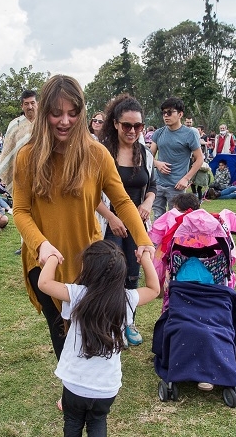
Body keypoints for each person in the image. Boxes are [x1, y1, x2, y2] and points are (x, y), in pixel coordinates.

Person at [12, 75, 154, 360]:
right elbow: (20, 211)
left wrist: (144, 240)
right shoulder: (27, 156)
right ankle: (70, 391)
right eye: (57, 113)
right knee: (60, 331)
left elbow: (123, 202)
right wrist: (40, 244)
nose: (65, 121)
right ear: (44, 114)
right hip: (45, 260)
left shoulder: (97, 154)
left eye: (73, 113)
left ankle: (87, 386)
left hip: (88, 261)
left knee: (86, 327)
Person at [38, 240, 159, 437]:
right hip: (106, 385)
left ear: (87, 269)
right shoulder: (126, 299)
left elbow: (44, 283)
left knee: (72, 420)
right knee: (97, 421)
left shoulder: (78, 293)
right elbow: (154, 289)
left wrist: (51, 256)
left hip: (74, 382)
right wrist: (145, 257)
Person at [97, 95, 156, 345]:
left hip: (136, 225)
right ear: (115, 124)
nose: (132, 131)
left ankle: (128, 322)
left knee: (133, 273)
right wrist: (111, 217)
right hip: (108, 223)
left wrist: (146, 204)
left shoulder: (145, 154)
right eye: (127, 125)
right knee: (110, 272)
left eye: (138, 126)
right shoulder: (102, 153)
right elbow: (90, 195)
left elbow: (152, 185)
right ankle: (108, 323)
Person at [149, 97, 205, 218]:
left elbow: (200, 159)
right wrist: (157, 164)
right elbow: (148, 156)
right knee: (158, 219)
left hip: (176, 186)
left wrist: (186, 178)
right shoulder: (159, 132)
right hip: (158, 183)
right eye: (164, 113)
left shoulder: (190, 134)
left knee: (175, 220)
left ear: (180, 114)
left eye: (170, 112)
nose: (166, 116)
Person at [0, 90, 39, 196]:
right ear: (22, 106)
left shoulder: (46, 123)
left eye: (32, 103)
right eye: (26, 104)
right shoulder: (14, 125)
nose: (30, 107)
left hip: (42, 172)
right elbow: (8, 151)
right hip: (21, 173)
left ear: (38, 103)